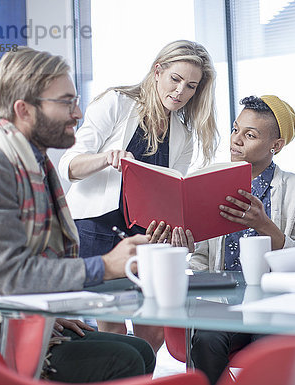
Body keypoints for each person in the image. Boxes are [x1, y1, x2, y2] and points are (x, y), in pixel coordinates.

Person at [0, 47, 156, 383]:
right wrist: (106, 264)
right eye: (66, 102)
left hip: (22, 316)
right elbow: (13, 274)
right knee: (125, 359)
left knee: (140, 350)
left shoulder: (35, 162)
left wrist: (46, 313)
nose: (77, 113)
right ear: (24, 109)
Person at [58, 40, 219, 349]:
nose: (180, 92)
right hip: (98, 228)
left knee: (154, 331)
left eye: (191, 86)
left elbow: (174, 193)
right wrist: (106, 158)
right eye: (175, 79)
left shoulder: (183, 135)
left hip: (147, 236)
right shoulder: (116, 103)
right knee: (113, 329)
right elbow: (68, 165)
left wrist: (180, 231)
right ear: (157, 71)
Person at [175, 95, 295, 385]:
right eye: (235, 129)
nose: (236, 140)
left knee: (268, 345)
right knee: (206, 340)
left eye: (250, 135)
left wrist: (265, 226)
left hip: (276, 302)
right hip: (221, 303)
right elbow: (201, 261)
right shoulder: (208, 185)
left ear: (276, 145)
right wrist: (184, 249)